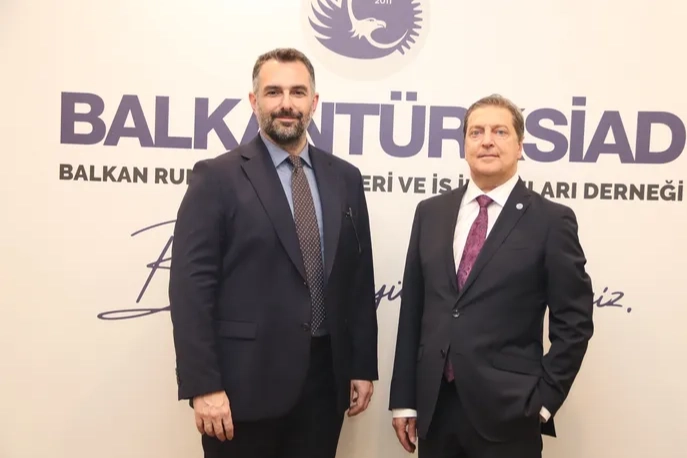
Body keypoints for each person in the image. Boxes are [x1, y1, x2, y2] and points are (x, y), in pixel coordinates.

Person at [169, 47, 378, 458]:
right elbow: (190, 289)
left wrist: (361, 366)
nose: (286, 103)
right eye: (273, 92)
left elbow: (357, 278)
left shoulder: (345, 178)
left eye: (298, 92)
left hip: (324, 386)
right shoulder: (218, 177)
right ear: (254, 101)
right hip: (241, 388)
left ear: (314, 102)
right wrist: (203, 385)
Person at [388, 94, 594, 457]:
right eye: (476, 132)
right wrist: (405, 400)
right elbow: (414, 311)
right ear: (464, 145)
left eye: (500, 132)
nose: (487, 141)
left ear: (520, 146)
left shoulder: (551, 221)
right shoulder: (431, 213)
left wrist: (544, 402)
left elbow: (574, 322)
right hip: (436, 409)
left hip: (510, 415)